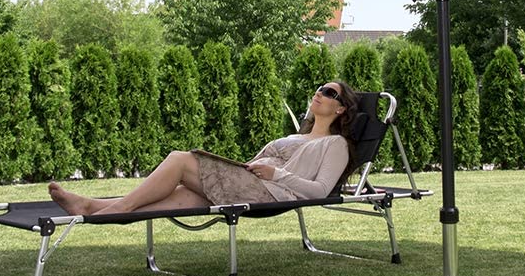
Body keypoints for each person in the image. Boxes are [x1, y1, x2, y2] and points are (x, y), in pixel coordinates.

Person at [48, 81, 360, 217]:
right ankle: (90, 207)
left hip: (269, 194)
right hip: (249, 181)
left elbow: (320, 191)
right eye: (319, 88)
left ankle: (116, 210)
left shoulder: (335, 144)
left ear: (341, 109)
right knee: (184, 196)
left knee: (181, 160)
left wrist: (276, 173)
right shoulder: (297, 136)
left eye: (329, 92)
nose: (320, 93)